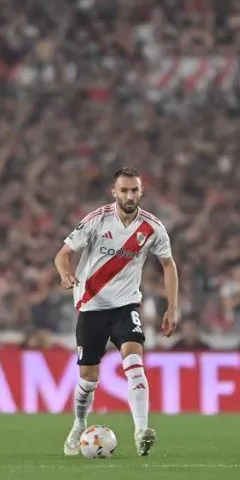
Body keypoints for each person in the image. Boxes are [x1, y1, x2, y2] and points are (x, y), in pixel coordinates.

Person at [54, 167, 179, 457]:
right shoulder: (97, 220)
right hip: (92, 306)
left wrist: (172, 307)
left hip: (126, 305)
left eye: (134, 190)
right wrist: (65, 274)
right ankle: (79, 424)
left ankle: (141, 431)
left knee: (134, 361)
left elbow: (168, 264)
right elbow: (63, 254)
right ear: (114, 192)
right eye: (124, 190)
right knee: (88, 379)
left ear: (141, 192)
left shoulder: (152, 227)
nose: (129, 195)